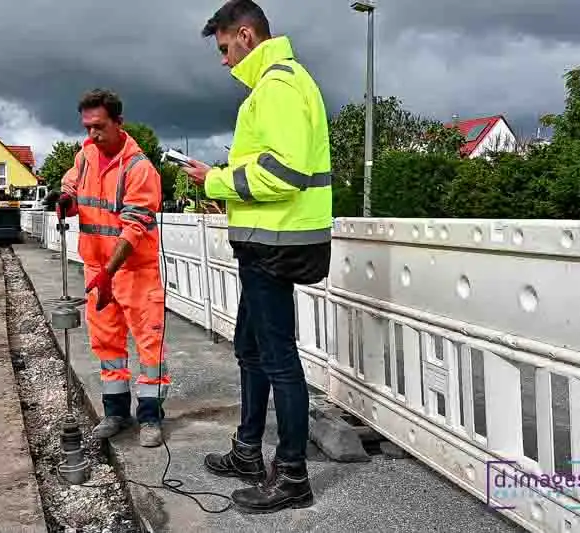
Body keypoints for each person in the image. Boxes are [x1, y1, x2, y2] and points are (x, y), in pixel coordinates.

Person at [183, 0, 332, 514]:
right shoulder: (275, 87)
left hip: (278, 244)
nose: (224, 61)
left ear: (246, 36)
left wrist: (217, 180)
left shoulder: (279, 87)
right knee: (250, 348)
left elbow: (285, 172)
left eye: (225, 48)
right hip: (264, 242)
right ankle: (248, 451)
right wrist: (222, 184)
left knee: (279, 359)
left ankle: (292, 476)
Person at [57, 89, 169, 448]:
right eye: (87, 127)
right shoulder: (85, 156)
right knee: (106, 342)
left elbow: (133, 228)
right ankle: (116, 412)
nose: (92, 134)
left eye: (99, 126)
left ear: (119, 123)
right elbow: (71, 189)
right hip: (96, 268)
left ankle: (150, 417)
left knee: (148, 344)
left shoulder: (140, 170)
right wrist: (64, 201)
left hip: (135, 271)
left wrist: (108, 272)